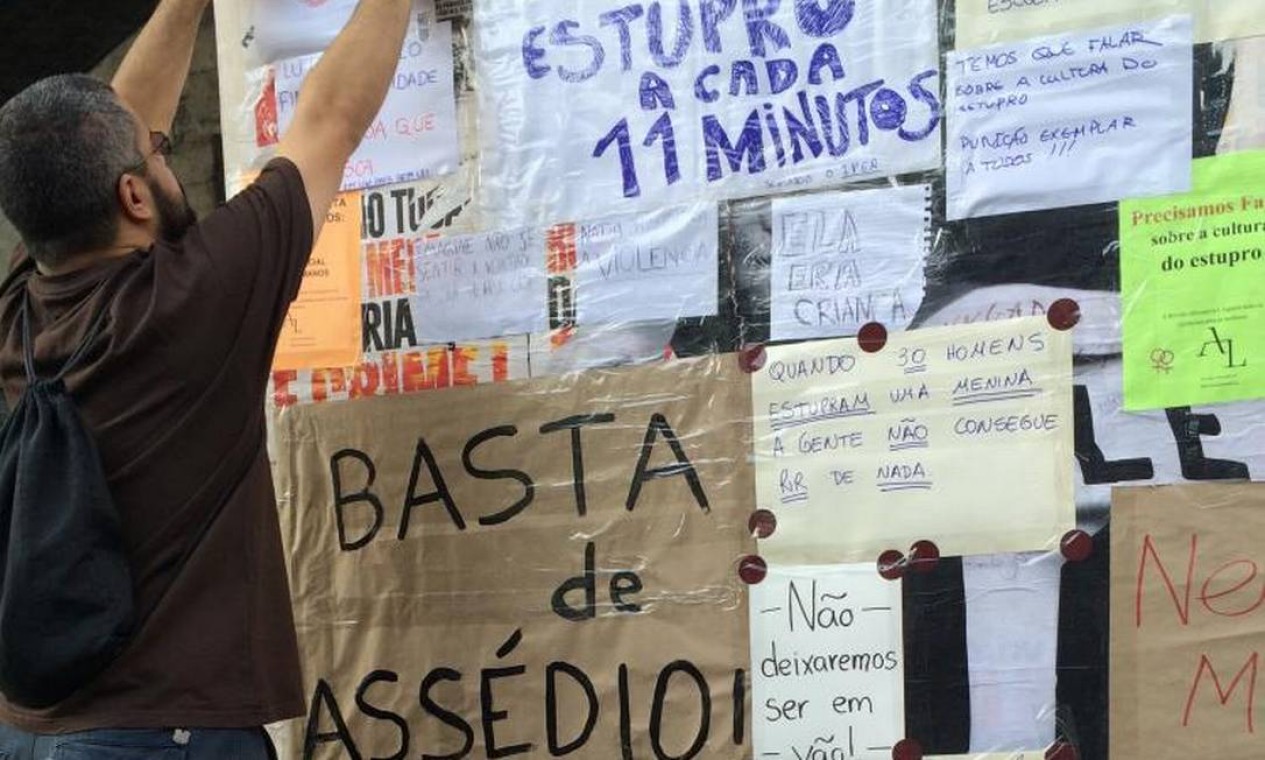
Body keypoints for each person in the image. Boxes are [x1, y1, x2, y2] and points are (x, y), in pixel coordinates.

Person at [0, 0, 412, 755]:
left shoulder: (20, 311)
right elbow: (330, 121)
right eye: (156, 155)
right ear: (132, 196)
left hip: (29, 730)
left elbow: (106, 135)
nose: (162, 152)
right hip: (162, 738)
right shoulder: (191, 299)